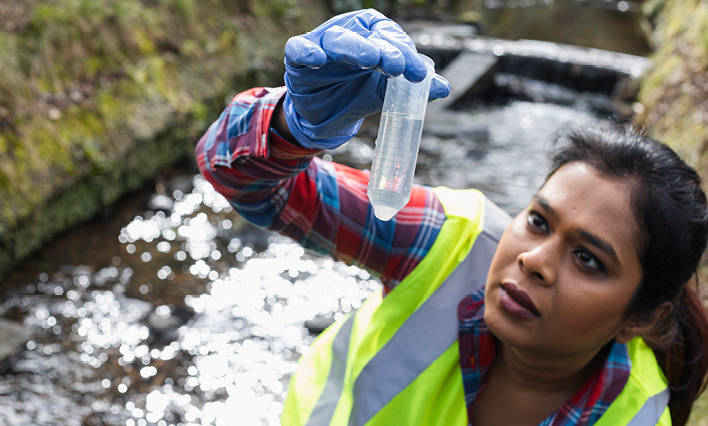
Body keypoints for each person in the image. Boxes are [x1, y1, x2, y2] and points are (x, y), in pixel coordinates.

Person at [195, 9, 708, 426]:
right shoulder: (450, 242)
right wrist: (294, 125)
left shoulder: (635, 417)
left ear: (642, 318)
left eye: (588, 259)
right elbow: (256, 187)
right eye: (537, 221)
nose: (534, 261)